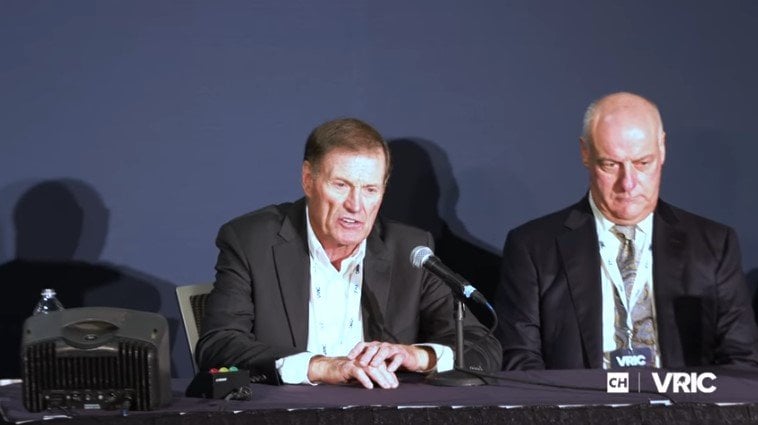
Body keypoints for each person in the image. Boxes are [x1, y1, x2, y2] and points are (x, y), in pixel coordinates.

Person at [197, 118, 501, 388]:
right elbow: (219, 345)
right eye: (341, 185)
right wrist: (321, 367)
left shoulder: (408, 249)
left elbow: (482, 347)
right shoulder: (252, 241)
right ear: (308, 180)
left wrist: (417, 356)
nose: (356, 206)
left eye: (370, 189)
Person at [494, 92, 758, 370]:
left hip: (684, 399)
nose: (628, 183)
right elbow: (520, 362)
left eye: (643, 163)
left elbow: (742, 361)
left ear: (662, 149)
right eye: (610, 165)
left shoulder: (713, 245)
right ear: (585, 153)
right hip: (576, 399)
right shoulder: (533, 248)